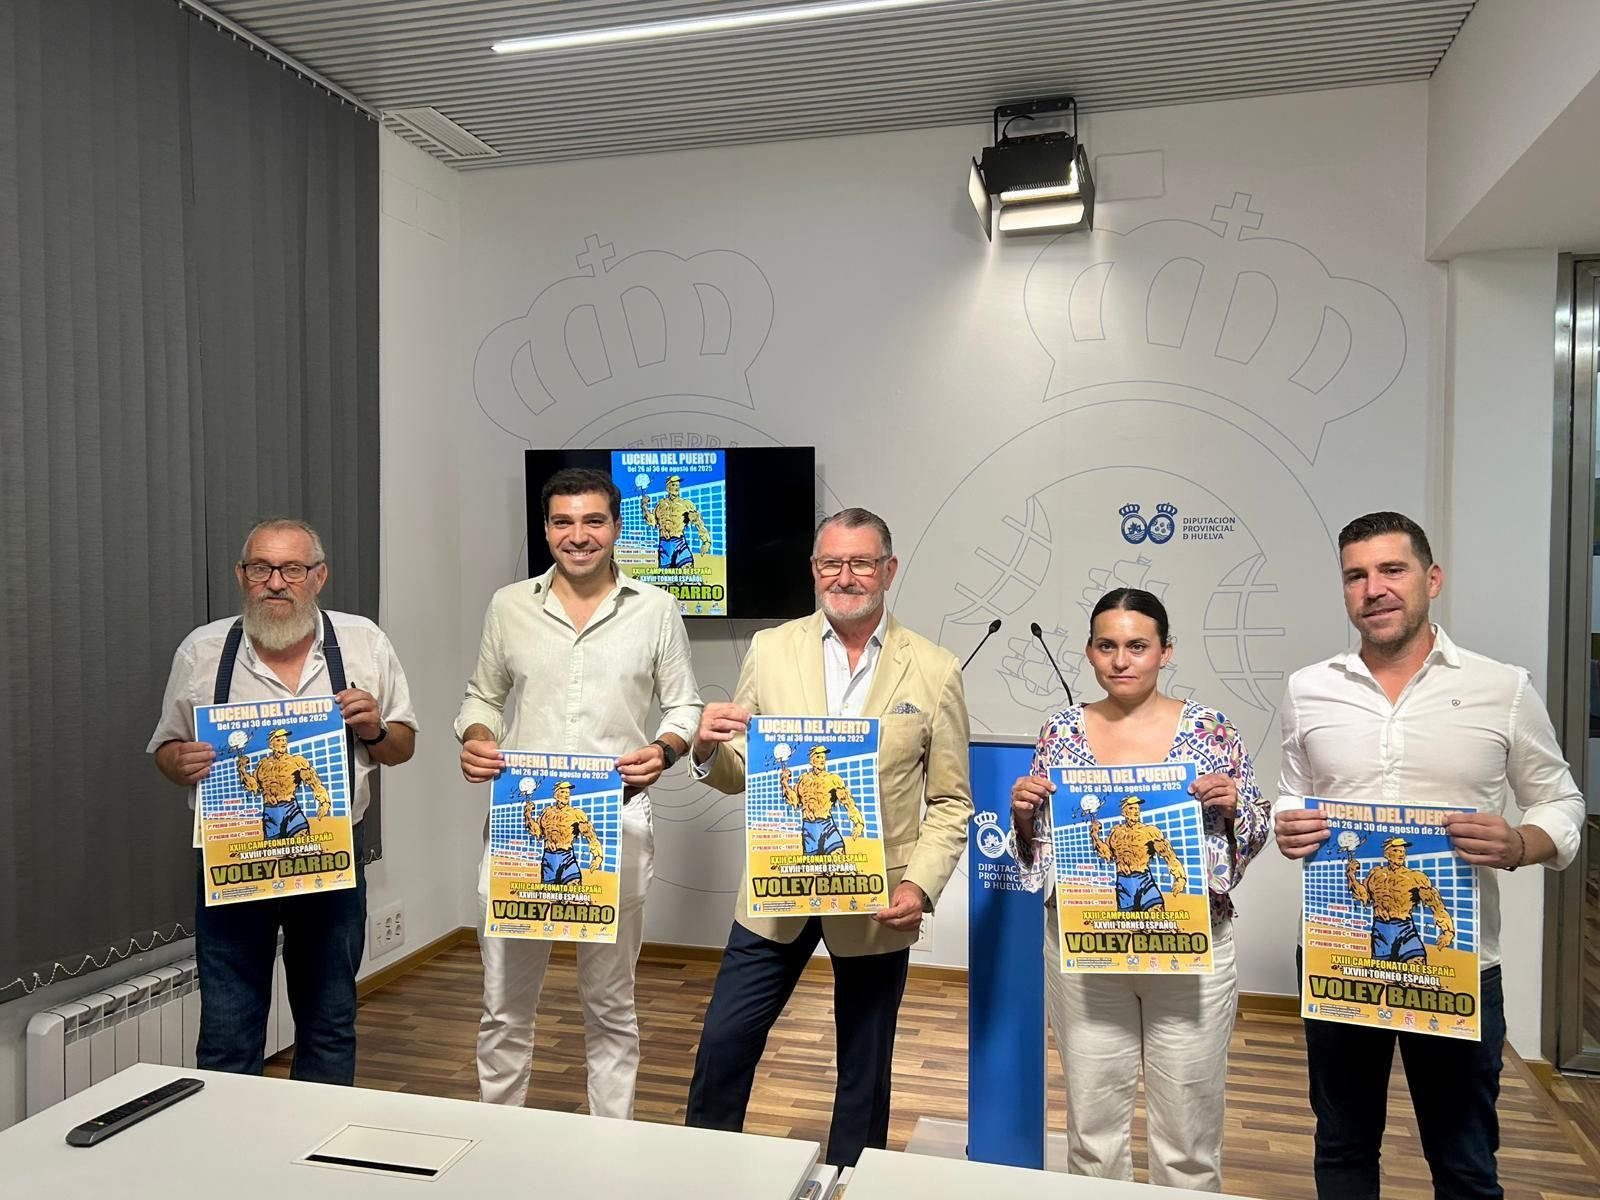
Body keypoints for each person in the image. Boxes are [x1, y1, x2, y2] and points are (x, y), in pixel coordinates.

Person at [1274, 511, 1584, 1199]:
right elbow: (1292, 792)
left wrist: (1519, 843)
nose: (1374, 588)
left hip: (1460, 962)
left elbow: (1561, 802)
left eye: (1392, 570)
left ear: (1431, 579)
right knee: (1343, 1146)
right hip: (1341, 952)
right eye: (1356, 575)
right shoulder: (1308, 688)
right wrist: (1286, 824)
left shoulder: (1503, 688)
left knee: (1464, 1161)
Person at [683, 507, 973, 1168]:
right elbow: (740, 774)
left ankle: (850, 1179)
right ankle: (699, 1172)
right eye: (832, 563)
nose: (846, 576)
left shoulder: (934, 669)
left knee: (864, 1070)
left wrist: (919, 886)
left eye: (862, 562)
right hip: (776, 889)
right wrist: (705, 749)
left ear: (888, 570)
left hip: (875, 896)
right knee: (724, 1046)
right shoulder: (770, 648)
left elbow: (951, 800)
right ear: (815, 571)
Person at [457, 466, 702, 1118]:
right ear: (545, 530)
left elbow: (685, 707)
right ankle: (497, 1137)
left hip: (614, 830)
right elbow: (482, 697)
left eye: (593, 521)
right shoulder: (509, 605)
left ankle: (609, 1151)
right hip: (520, 829)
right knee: (504, 1008)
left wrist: (665, 749)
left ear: (617, 527)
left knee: (611, 1006)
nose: (579, 535)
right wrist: (477, 736)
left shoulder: (655, 608)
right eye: (563, 522)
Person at [1011, 587, 1270, 1191]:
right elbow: (1049, 843)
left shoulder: (1210, 729)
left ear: (1165, 651)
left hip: (1190, 946)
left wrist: (1236, 806)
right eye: (1107, 646)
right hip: (1086, 947)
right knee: (1093, 1129)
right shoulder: (1061, 731)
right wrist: (1024, 816)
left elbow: (1256, 829)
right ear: (1090, 653)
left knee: (1188, 1135)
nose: (1121, 660)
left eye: (1137, 646)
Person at [149, 517, 418, 1083]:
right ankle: (234, 1155)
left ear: (318, 577)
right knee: (226, 1027)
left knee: (329, 1020)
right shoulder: (202, 651)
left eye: (292, 568)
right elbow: (166, 750)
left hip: (329, 854)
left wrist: (372, 729)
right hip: (233, 857)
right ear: (241, 576)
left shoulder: (363, 642)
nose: (276, 582)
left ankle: (314, 1153)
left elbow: (401, 748)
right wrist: (182, 762)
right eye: (261, 568)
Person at [1345, 836, 1453, 963]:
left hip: (1405, 929)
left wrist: (1447, 931)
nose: (1401, 854)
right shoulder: (1375, 874)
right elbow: (1364, 897)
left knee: (1416, 967)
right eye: (1396, 851)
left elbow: (1436, 904)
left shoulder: (1415, 878)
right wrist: (1351, 876)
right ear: (1387, 854)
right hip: (1381, 930)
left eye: (1402, 851)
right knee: (1382, 974)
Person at [1091, 793, 1187, 911]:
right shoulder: (1116, 832)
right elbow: (1108, 855)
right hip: (1123, 882)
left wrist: (1180, 877)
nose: (1136, 811)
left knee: (1157, 916)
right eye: (1131, 808)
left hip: (1143, 880)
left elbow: (1168, 855)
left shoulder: (1150, 832)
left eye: (1137, 808)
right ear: (1124, 812)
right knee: (1128, 924)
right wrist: (1095, 836)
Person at [236, 726, 332, 840]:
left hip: (291, 809)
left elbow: (313, 781)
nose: (282, 743)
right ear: (271, 744)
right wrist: (242, 770)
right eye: (278, 740)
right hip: (270, 813)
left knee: (302, 844)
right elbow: (254, 787)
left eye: (284, 740)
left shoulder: (296, 761)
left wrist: (325, 802)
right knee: (274, 851)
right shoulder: (263, 764)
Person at [781, 744, 865, 855]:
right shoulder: (803, 779)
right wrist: (785, 783)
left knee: (838, 858)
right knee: (812, 866)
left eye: (823, 757)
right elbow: (795, 801)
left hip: (827, 826)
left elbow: (848, 801)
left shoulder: (833, 779)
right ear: (811, 760)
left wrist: (858, 823)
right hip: (809, 829)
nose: (822, 759)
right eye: (818, 756)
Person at [526, 780, 604, 884]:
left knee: (573, 895)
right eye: (562, 792)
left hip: (567, 858)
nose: (566, 795)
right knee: (548, 896)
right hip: (549, 859)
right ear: (555, 795)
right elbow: (537, 832)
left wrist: (598, 856)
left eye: (568, 792)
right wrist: (528, 814)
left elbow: (590, 836)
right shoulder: (547, 812)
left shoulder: (576, 814)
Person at [642, 474, 709, 568]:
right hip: (664, 545)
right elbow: (653, 522)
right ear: (667, 488)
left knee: (687, 573)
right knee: (666, 578)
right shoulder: (661, 504)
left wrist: (706, 541)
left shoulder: (686, 505)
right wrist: (644, 507)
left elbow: (698, 522)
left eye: (677, 485)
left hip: (679, 543)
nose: (676, 487)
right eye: (673, 485)